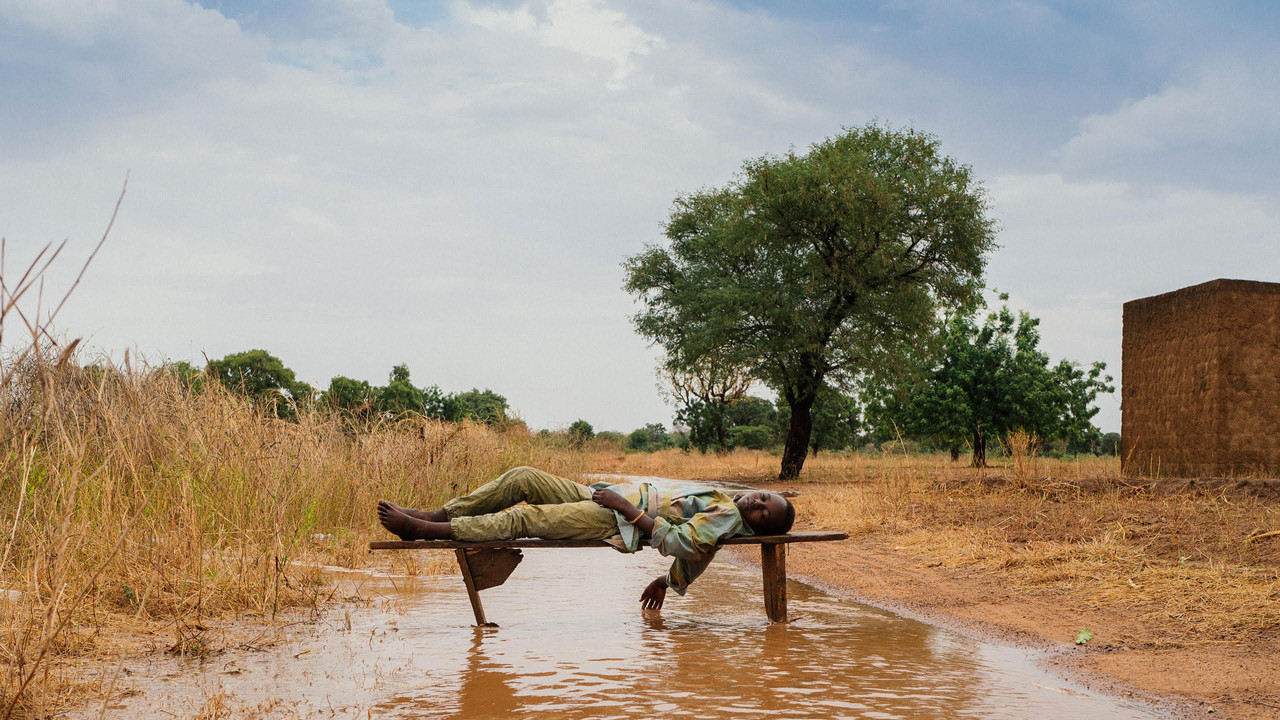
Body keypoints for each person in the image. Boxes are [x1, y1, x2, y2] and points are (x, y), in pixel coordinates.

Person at [377, 466, 795, 609]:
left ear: (759, 527)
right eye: (762, 497)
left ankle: (428, 530)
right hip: (612, 499)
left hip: (618, 517)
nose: (755, 504)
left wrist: (626, 508)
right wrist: (670, 582)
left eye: (762, 513)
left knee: (526, 518)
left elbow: (682, 543)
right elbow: (698, 554)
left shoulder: (726, 516)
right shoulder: (726, 507)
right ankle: (439, 514)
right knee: (524, 478)